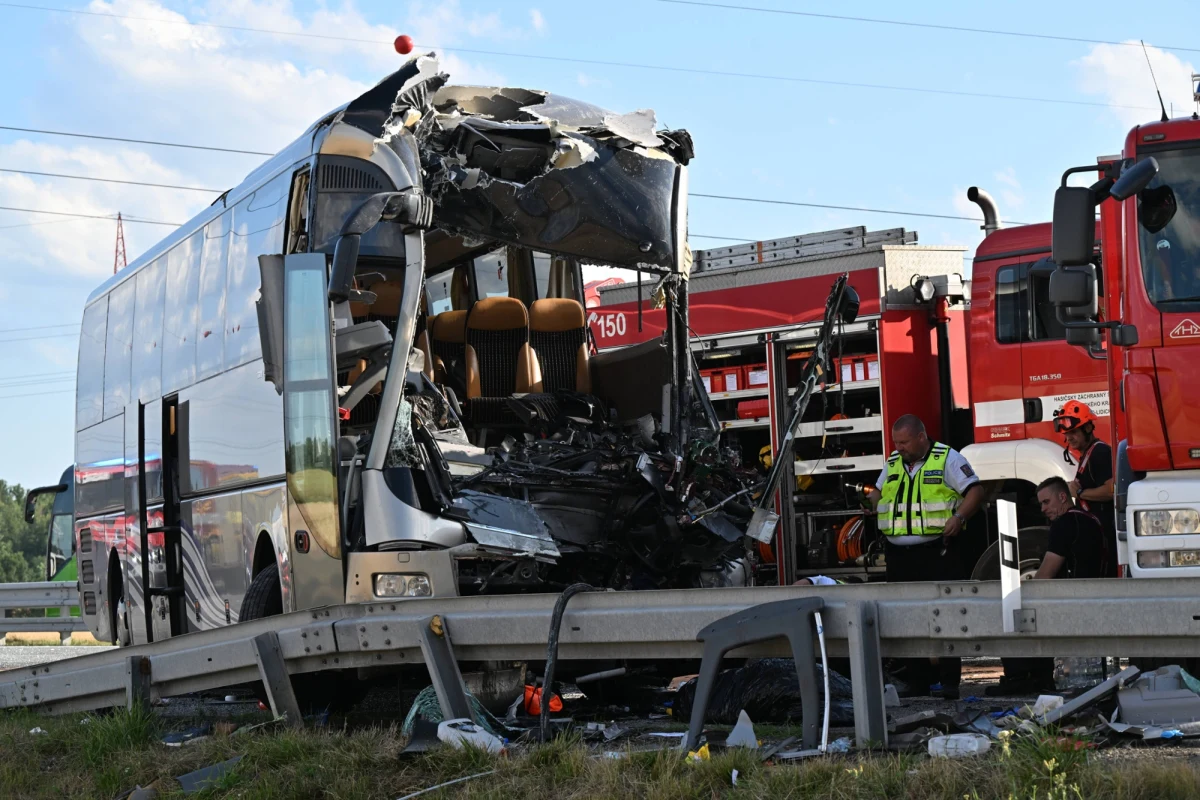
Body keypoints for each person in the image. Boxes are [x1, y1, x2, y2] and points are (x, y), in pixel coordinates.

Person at [871, 414, 985, 699]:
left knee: (946, 615)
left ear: (921, 436)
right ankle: (916, 682)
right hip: (899, 555)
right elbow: (878, 492)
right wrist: (871, 502)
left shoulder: (947, 458)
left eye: (904, 442)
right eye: (896, 442)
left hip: (937, 552)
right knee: (908, 617)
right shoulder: (893, 463)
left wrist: (959, 517)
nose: (899, 448)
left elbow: (975, 491)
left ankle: (949, 683)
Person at [987, 477, 1108, 695]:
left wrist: (1021, 591)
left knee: (1017, 610)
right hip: (1097, 599)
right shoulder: (1092, 520)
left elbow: (1046, 574)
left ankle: (1024, 678)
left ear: (1063, 497)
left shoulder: (1063, 525)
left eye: (1046, 502)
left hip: (1069, 602)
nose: (1043, 509)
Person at [1053, 400, 1116, 577]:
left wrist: (1079, 492)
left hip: (1104, 538)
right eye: (1066, 433)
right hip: (1097, 537)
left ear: (1088, 428)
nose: (1069, 437)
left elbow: (1112, 490)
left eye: (1073, 432)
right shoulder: (1088, 454)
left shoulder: (1100, 453)